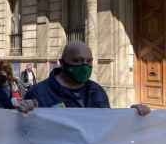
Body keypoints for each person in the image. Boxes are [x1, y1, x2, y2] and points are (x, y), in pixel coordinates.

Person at [21, 42, 150, 115]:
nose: (84, 66)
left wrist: (132, 117)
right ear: (62, 62)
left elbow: (107, 126)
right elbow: (23, 134)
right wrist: (24, 112)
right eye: (77, 60)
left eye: (89, 61)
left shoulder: (97, 91)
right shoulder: (38, 93)